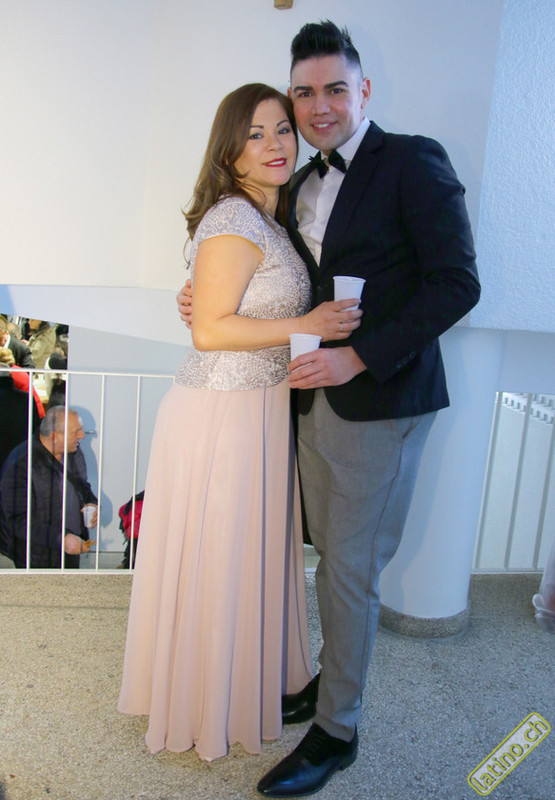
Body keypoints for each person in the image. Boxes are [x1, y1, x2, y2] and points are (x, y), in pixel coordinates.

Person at [178, 21, 481, 797]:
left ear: (363, 90)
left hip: (379, 399)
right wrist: (204, 296)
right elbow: (280, 276)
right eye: (303, 93)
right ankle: (324, 679)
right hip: (306, 401)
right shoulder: (293, 181)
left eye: (334, 89)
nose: (317, 106)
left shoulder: (411, 160)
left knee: (348, 568)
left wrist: (360, 355)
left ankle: (336, 731)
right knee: (327, 559)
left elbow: (456, 283)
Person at [117, 83, 361, 763]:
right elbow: (210, 331)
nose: (275, 143)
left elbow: (222, 308)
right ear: (229, 150)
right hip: (223, 414)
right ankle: (206, 704)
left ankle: (247, 684)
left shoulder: (268, 219)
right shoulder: (233, 218)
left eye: (282, 128)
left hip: (258, 409)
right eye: (255, 134)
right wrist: (307, 323)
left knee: (240, 556)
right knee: (221, 558)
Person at [0, 406, 97, 568]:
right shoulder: (20, 463)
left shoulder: (73, 452)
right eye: (76, 432)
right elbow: (17, 520)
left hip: (71, 546)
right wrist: (62, 539)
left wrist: (91, 503)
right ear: (54, 436)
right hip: (35, 554)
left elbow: (82, 486)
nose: (82, 436)